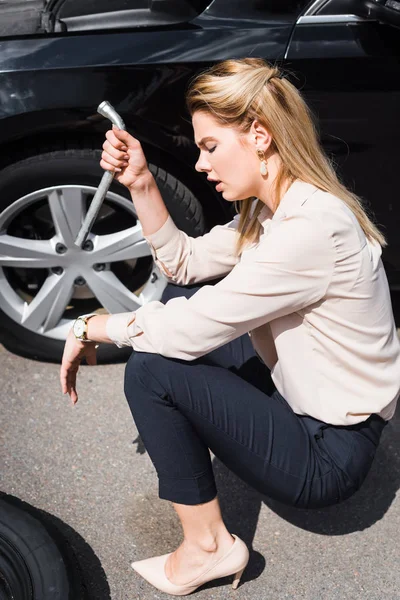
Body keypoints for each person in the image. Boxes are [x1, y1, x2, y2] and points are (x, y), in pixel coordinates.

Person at [60, 58, 400, 596]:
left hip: (330, 454)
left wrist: (90, 327)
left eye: (210, 146)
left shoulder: (310, 231)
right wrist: (142, 182)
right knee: (178, 302)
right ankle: (194, 444)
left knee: (152, 372)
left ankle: (209, 549)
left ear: (260, 136)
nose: (199, 163)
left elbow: (190, 331)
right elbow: (185, 265)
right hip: (311, 400)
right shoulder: (277, 208)